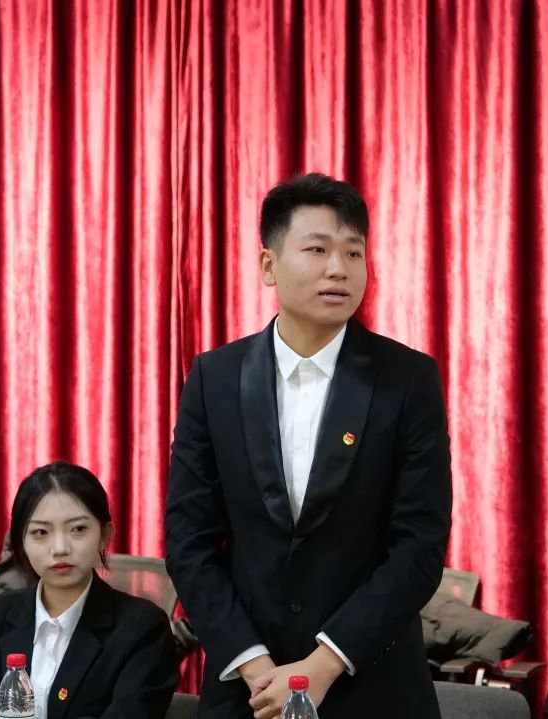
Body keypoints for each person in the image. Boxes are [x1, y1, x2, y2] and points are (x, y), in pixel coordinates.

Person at [165, 173, 453, 718]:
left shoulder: (407, 379)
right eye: (317, 249)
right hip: (249, 691)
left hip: (371, 686)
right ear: (268, 265)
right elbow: (188, 541)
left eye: (353, 252)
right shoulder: (214, 378)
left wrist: (320, 667)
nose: (338, 268)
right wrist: (256, 668)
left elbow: (419, 546)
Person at [0, 461, 178, 719]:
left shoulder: (142, 627)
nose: (59, 548)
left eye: (78, 529)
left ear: (104, 535)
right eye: (41, 532)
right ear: (21, 543)